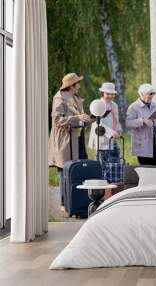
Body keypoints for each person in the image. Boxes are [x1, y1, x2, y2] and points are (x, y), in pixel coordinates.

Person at [48, 73, 94, 206]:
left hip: (77, 139)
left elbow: (79, 119)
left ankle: (74, 203)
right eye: (77, 83)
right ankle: (64, 203)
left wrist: (90, 119)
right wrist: (78, 118)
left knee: (76, 170)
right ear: (71, 86)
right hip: (64, 141)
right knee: (65, 172)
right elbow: (57, 121)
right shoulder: (59, 99)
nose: (79, 85)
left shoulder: (75, 98)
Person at [126, 84, 156, 165]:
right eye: (150, 94)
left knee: (155, 167)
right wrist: (142, 121)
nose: (152, 96)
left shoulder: (155, 105)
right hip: (142, 143)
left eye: (153, 94)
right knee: (145, 168)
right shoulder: (133, 107)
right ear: (142, 94)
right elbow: (128, 123)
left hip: (154, 142)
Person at [88, 82, 123, 160]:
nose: (110, 96)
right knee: (102, 164)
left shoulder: (114, 105)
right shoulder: (97, 104)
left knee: (115, 163)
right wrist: (111, 132)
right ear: (103, 93)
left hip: (114, 139)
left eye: (112, 94)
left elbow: (116, 119)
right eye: (107, 93)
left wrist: (119, 129)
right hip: (102, 138)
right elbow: (97, 123)